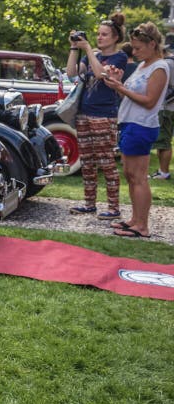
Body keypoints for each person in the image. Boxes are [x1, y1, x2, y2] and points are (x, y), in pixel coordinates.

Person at [103, 22, 170, 238]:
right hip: (130, 123)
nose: (135, 52)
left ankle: (142, 226)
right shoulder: (143, 66)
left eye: (139, 48)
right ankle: (135, 219)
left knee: (139, 177)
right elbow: (130, 95)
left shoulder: (160, 67)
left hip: (142, 125)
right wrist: (117, 83)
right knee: (130, 175)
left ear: (152, 44)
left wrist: (120, 87)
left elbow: (150, 101)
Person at [66, 13, 127, 220]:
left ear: (115, 37)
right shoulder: (91, 55)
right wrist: (74, 48)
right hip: (84, 113)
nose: (100, 38)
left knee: (106, 161)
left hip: (104, 115)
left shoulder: (119, 57)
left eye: (104, 35)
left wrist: (89, 50)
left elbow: (102, 74)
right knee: (87, 162)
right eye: (98, 34)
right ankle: (89, 204)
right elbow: (71, 73)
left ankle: (113, 207)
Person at [148, 46, 174, 180]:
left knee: (163, 141)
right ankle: (162, 171)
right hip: (168, 108)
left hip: (166, 108)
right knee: (163, 141)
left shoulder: (168, 64)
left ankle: (164, 172)